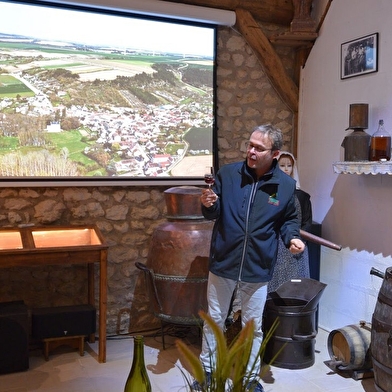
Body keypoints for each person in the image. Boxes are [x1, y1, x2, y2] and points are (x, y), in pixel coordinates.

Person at [193, 124, 305, 392]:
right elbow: (213, 211)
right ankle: (207, 372)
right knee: (215, 319)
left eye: (259, 148)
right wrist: (208, 204)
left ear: (274, 153)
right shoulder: (228, 174)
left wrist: (292, 238)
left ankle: (250, 377)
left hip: (258, 265)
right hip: (224, 261)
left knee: (253, 326)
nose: (251, 151)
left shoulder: (285, 185)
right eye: (250, 145)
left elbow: (289, 219)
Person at [267, 152, 312, 294]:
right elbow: (270, 216)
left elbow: (307, 222)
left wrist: (298, 240)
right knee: (275, 284)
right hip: (276, 245)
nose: (286, 169)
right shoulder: (273, 194)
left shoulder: (302, 196)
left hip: (297, 245)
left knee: (296, 285)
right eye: (282, 165)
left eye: (289, 166)